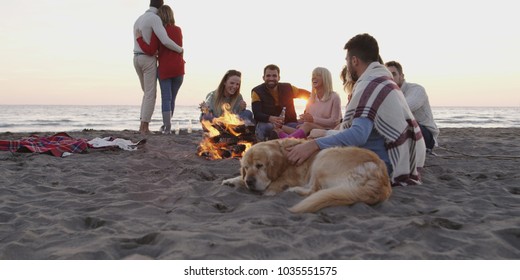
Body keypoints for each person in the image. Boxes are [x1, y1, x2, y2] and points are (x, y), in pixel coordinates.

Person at [286, 33, 426, 186]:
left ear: (354, 61)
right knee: (318, 146)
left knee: (313, 160)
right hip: (398, 158)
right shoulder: (383, 80)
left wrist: (314, 144)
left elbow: (359, 135)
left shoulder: (370, 85)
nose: (347, 65)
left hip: (384, 164)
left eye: (347, 61)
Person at [133, 0, 183, 134]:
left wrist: (139, 41)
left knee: (147, 93)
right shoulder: (155, 19)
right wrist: (179, 49)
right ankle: (144, 127)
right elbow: (165, 41)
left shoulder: (139, 19)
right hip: (148, 58)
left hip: (136, 57)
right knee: (151, 94)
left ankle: (142, 126)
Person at [385, 61, 439, 151]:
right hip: (406, 135)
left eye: (393, 74)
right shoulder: (389, 94)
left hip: (426, 135)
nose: (390, 78)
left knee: (405, 120)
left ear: (401, 76)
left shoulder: (417, 90)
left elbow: (404, 108)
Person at [276, 67, 342, 139]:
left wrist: (312, 119)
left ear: (325, 79)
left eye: (318, 75)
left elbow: (334, 122)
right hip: (311, 127)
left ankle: (287, 140)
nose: (314, 77)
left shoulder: (334, 97)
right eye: (313, 75)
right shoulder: (311, 99)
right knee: (278, 127)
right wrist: (302, 121)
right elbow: (307, 120)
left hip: (328, 130)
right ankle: (289, 137)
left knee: (307, 125)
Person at [251, 64, 311, 141]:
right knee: (263, 127)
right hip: (269, 124)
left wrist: (306, 112)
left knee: (306, 127)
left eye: (274, 76)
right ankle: (264, 147)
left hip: (289, 124)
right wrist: (271, 118)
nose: (271, 78)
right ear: (263, 77)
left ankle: (286, 141)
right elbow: (257, 114)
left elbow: (309, 95)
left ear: (279, 78)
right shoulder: (257, 91)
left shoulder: (288, 88)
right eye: (268, 76)